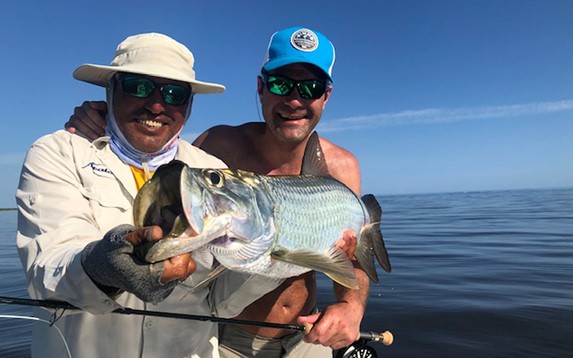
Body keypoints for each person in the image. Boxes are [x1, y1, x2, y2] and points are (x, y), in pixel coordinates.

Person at [66, 27, 372, 357]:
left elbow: (350, 255)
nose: (294, 100)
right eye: (281, 84)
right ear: (260, 87)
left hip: (307, 337)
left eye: (310, 88)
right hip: (228, 339)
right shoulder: (218, 147)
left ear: (326, 95)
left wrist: (351, 307)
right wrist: (105, 121)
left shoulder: (342, 168)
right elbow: (161, 169)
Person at [17, 32, 283, 358]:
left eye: (175, 93)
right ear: (110, 88)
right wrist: (98, 268)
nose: (157, 104)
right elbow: (45, 272)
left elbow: (219, 303)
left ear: (189, 104)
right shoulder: (57, 152)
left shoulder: (211, 170)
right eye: (138, 86)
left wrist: (275, 259)